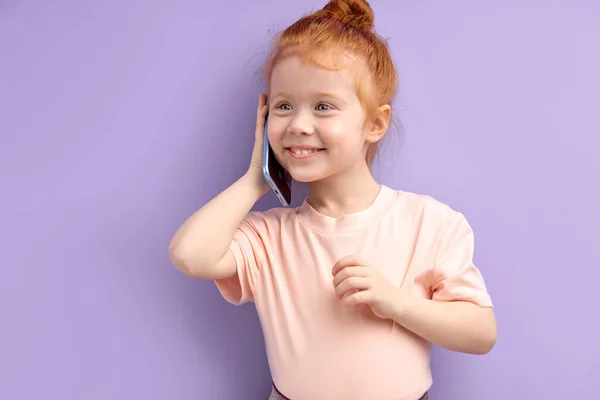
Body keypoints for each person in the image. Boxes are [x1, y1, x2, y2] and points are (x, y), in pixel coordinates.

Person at [168, 0, 497, 399]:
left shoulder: (430, 221)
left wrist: (397, 304)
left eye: (323, 106)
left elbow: (481, 333)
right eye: (284, 106)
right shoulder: (269, 236)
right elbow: (190, 255)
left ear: (375, 123)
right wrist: (256, 178)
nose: (299, 125)